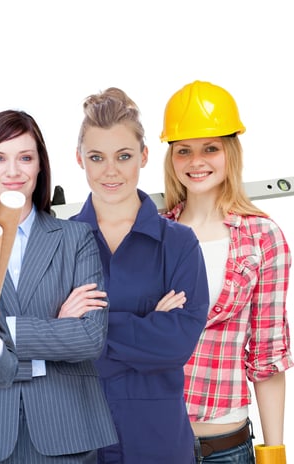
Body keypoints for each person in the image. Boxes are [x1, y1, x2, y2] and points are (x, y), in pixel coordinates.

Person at [0, 109, 117, 463]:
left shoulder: (76, 239)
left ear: (40, 165)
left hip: (67, 428)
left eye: (25, 157)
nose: (13, 172)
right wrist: (56, 330)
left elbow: (89, 339)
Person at [70, 88, 209, 463]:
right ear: (79, 159)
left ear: (144, 156)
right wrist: (147, 327)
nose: (110, 170)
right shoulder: (58, 245)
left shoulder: (178, 244)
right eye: (96, 157)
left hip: (159, 443)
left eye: (124, 156)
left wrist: (83, 332)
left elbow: (178, 345)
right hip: (78, 442)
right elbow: (43, 347)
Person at [160, 81, 292, 464]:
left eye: (210, 148)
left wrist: (274, 455)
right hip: (151, 440)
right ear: (171, 157)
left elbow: (267, 357)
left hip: (226, 448)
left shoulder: (261, 237)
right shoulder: (153, 233)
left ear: (230, 151)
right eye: (184, 150)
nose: (196, 161)